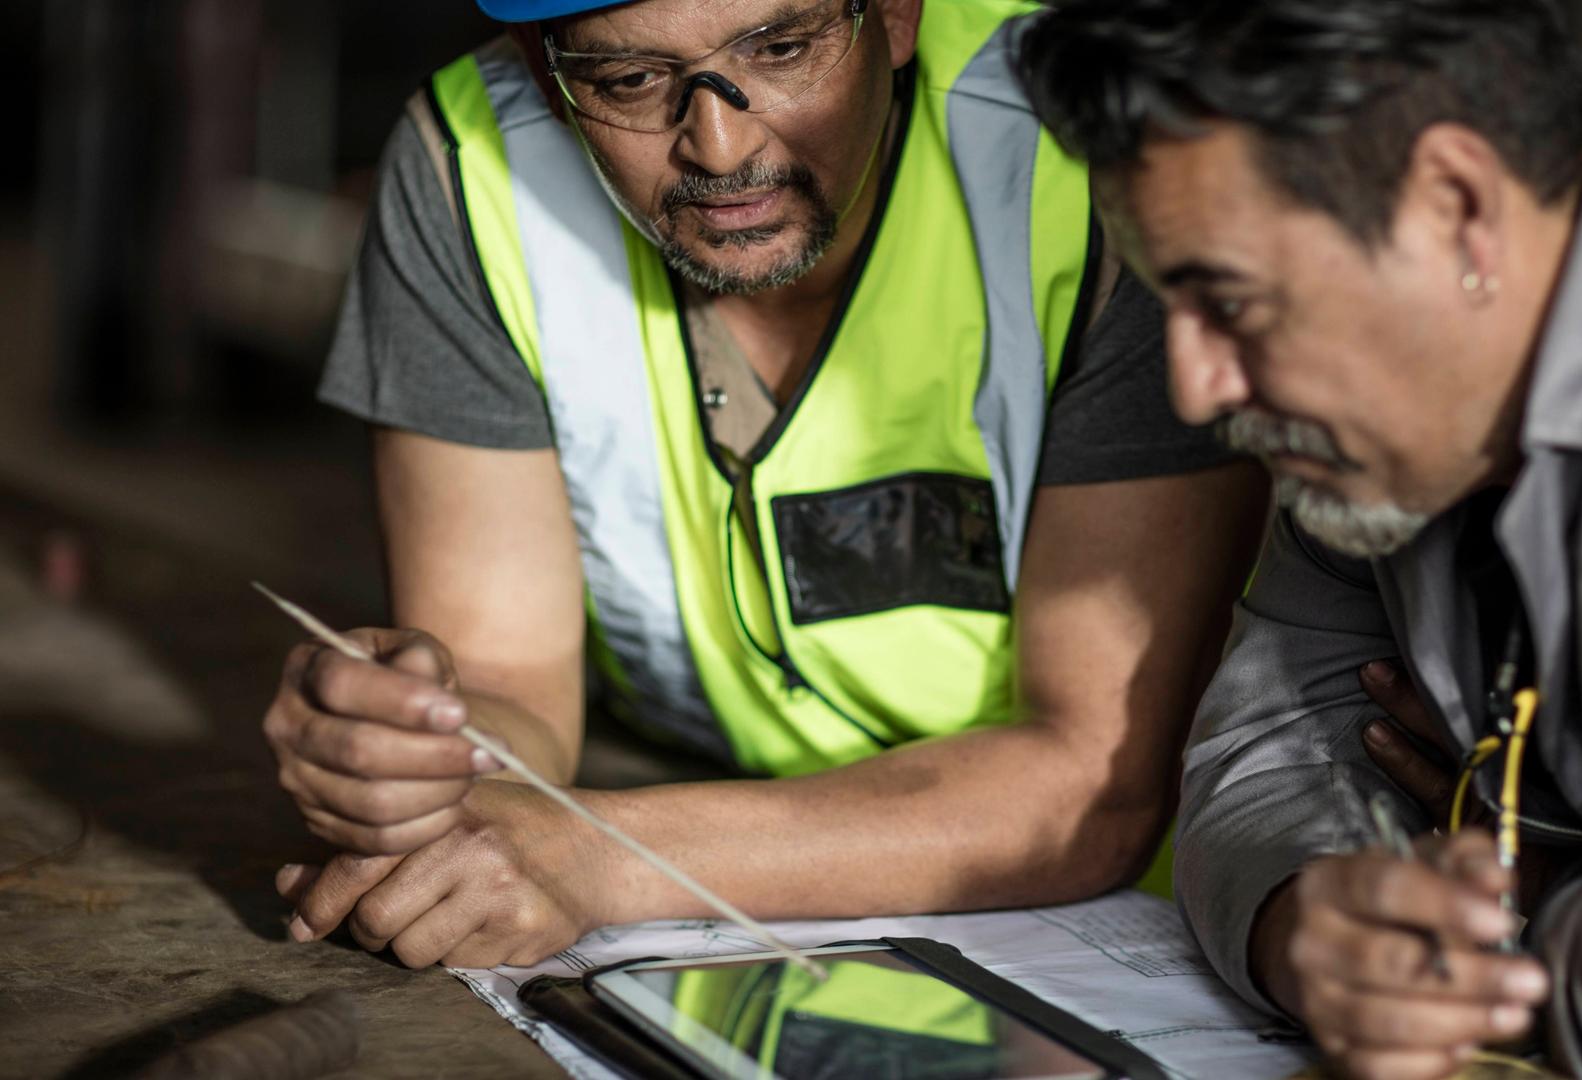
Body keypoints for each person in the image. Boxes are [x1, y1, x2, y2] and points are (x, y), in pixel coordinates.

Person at [263, 0, 1266, 972]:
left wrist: (599, 854)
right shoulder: (470, 173)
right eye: (630, 79)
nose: (719, 145)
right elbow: (507, 686)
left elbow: (1095, 783)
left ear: (899, 13)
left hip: (1125, 946)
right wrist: (414, 755)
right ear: (540, 66)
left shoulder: (1095, 155)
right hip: (715, 913)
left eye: (781, 48)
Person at [1018, 1, 1582, 1077]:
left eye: (1233, 303)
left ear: (1456, 205)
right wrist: (1317, 928)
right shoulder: (1398, 395)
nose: (1197, 385)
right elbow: (1259, 755)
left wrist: (1523, 870)